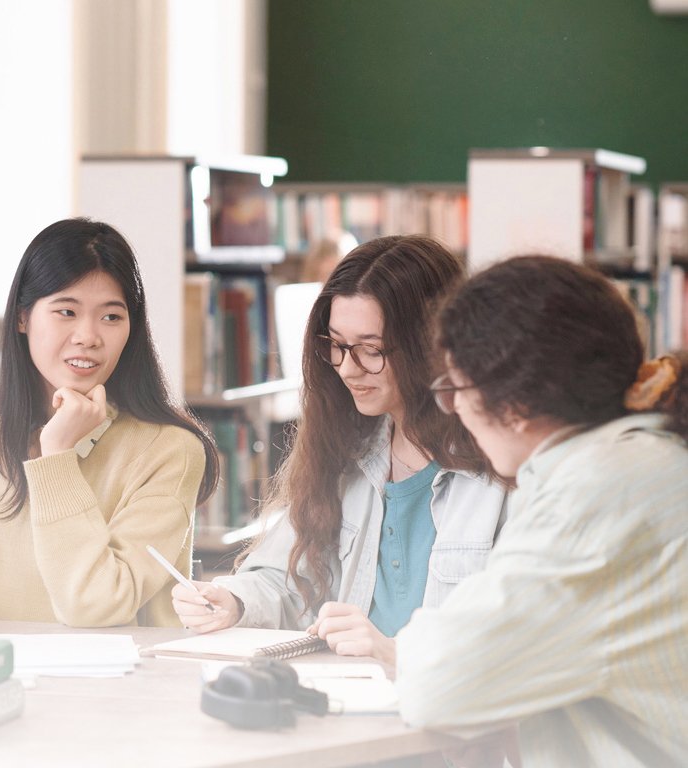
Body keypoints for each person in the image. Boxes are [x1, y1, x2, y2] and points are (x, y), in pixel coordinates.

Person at [397, 256, 688, 766]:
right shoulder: (648, 461)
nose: (457, 410)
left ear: (513, 403)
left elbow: (436, 683)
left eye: (455, 389)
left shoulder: (595, 494)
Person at [172, 235, 507, 666]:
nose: (348, 369)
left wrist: (395, 655)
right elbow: (285, 579)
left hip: (448, 715)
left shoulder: (501, 470)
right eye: (336, 344)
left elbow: (516, 645)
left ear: (432, 345)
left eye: (371, 349)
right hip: (351, 701)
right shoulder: (346, 448)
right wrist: (231, 600)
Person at [0, 217, 220, 629]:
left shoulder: (170, 449)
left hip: (124, 685)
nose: (88, 336)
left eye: (111, 317)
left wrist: (57, 458)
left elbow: (94, 606)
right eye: (66, 311)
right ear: (22, 318)